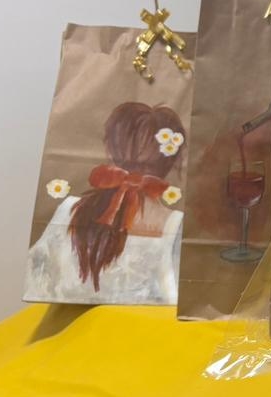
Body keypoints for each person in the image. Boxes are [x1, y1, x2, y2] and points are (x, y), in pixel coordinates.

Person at [26, 102, 185, 305]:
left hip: (69, 323)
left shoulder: (68, 210)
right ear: (172, 160)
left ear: (109, 150)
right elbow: (178, 303)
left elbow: (37, 283)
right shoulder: (175, 225)